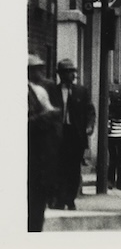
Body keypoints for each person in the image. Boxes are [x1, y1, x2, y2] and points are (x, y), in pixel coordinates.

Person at [49, 58, 95, 210]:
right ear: (60, 74)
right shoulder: (52, 91)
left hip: (75, 135)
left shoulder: (81, 91)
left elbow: (90, 111)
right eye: (67, 72)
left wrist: (89, 126)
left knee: (73, 168)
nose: (71, 75)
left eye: (72, 72)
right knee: (58, 167)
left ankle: (70, 198)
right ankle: (60, 199)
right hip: (58, 134)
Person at [28, 54, 60, 231]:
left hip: (41, 153)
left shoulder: (41, 90)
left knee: (37, 199)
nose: (39, 72)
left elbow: (51, 112)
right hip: (33, 151)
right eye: (35, 69)